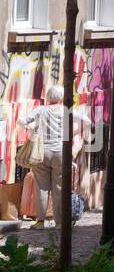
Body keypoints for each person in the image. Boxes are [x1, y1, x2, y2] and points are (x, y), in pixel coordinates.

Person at [19, 87, 65, 229]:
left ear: (48, 97)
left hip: (41, 152)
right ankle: (59, 223)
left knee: (41, 188)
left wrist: (32, 128)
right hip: (60, 153)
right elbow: (85, 121)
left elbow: (22, 121)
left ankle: (40, 222)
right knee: (58, 188)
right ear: (61, 97)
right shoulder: (66, 111)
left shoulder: (40, 110)